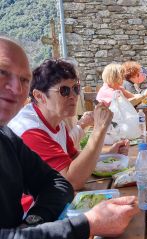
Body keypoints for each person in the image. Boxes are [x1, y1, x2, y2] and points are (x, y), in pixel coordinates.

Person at [0, 37, 139, 239]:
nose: (16, 88)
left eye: (24, 79)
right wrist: (88, 224)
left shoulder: (6, 137)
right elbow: (72, 178)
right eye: (2, 72)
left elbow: (58, 183)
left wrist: (32, 225)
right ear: (38, 96)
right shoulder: (28, 131)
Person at [8, 59, 129, 191]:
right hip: (32, 209)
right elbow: (72, 182)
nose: (73, 96)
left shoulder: (55, 121)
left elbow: (74, 158)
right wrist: (99, 130)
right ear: (39, 96)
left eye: (75, 89)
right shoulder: (31, 131)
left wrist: (109, 154)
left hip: (53, 200)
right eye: (64, 90)